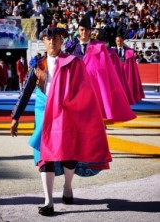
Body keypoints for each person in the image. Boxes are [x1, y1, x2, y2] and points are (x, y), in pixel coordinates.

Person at [11, 27, 112, 216]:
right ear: (43, 42)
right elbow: (25, 93)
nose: (52, 43)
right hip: (43, 113)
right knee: (44, 155)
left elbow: (86, 93)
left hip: (66, 114)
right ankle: (48, 201)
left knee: (68, 153)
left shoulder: (73, 63)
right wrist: (15, 117)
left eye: (56, 39)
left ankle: (67, 187)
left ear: (61, 41)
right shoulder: (38, 66)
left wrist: (92, 117)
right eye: (48, 39)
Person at [65, 13, 136, 122]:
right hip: (77, 83)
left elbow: (106, 66)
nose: (84, 32)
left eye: (86, 30)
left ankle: (98, 122)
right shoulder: (71, 47)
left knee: (96, 104)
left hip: (94, 83)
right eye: (82, 30)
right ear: (78, 31)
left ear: (90, 31)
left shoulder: (98, 47)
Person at [113, 34, 145, 102]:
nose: (119, 43)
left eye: (121, 41)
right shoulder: (112, 51)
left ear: (123, 41)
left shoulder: (128, 52)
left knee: (127, 84)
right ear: (115, 41)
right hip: (116, 71)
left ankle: (127, 97)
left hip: (125, 70)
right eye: (118, 41)